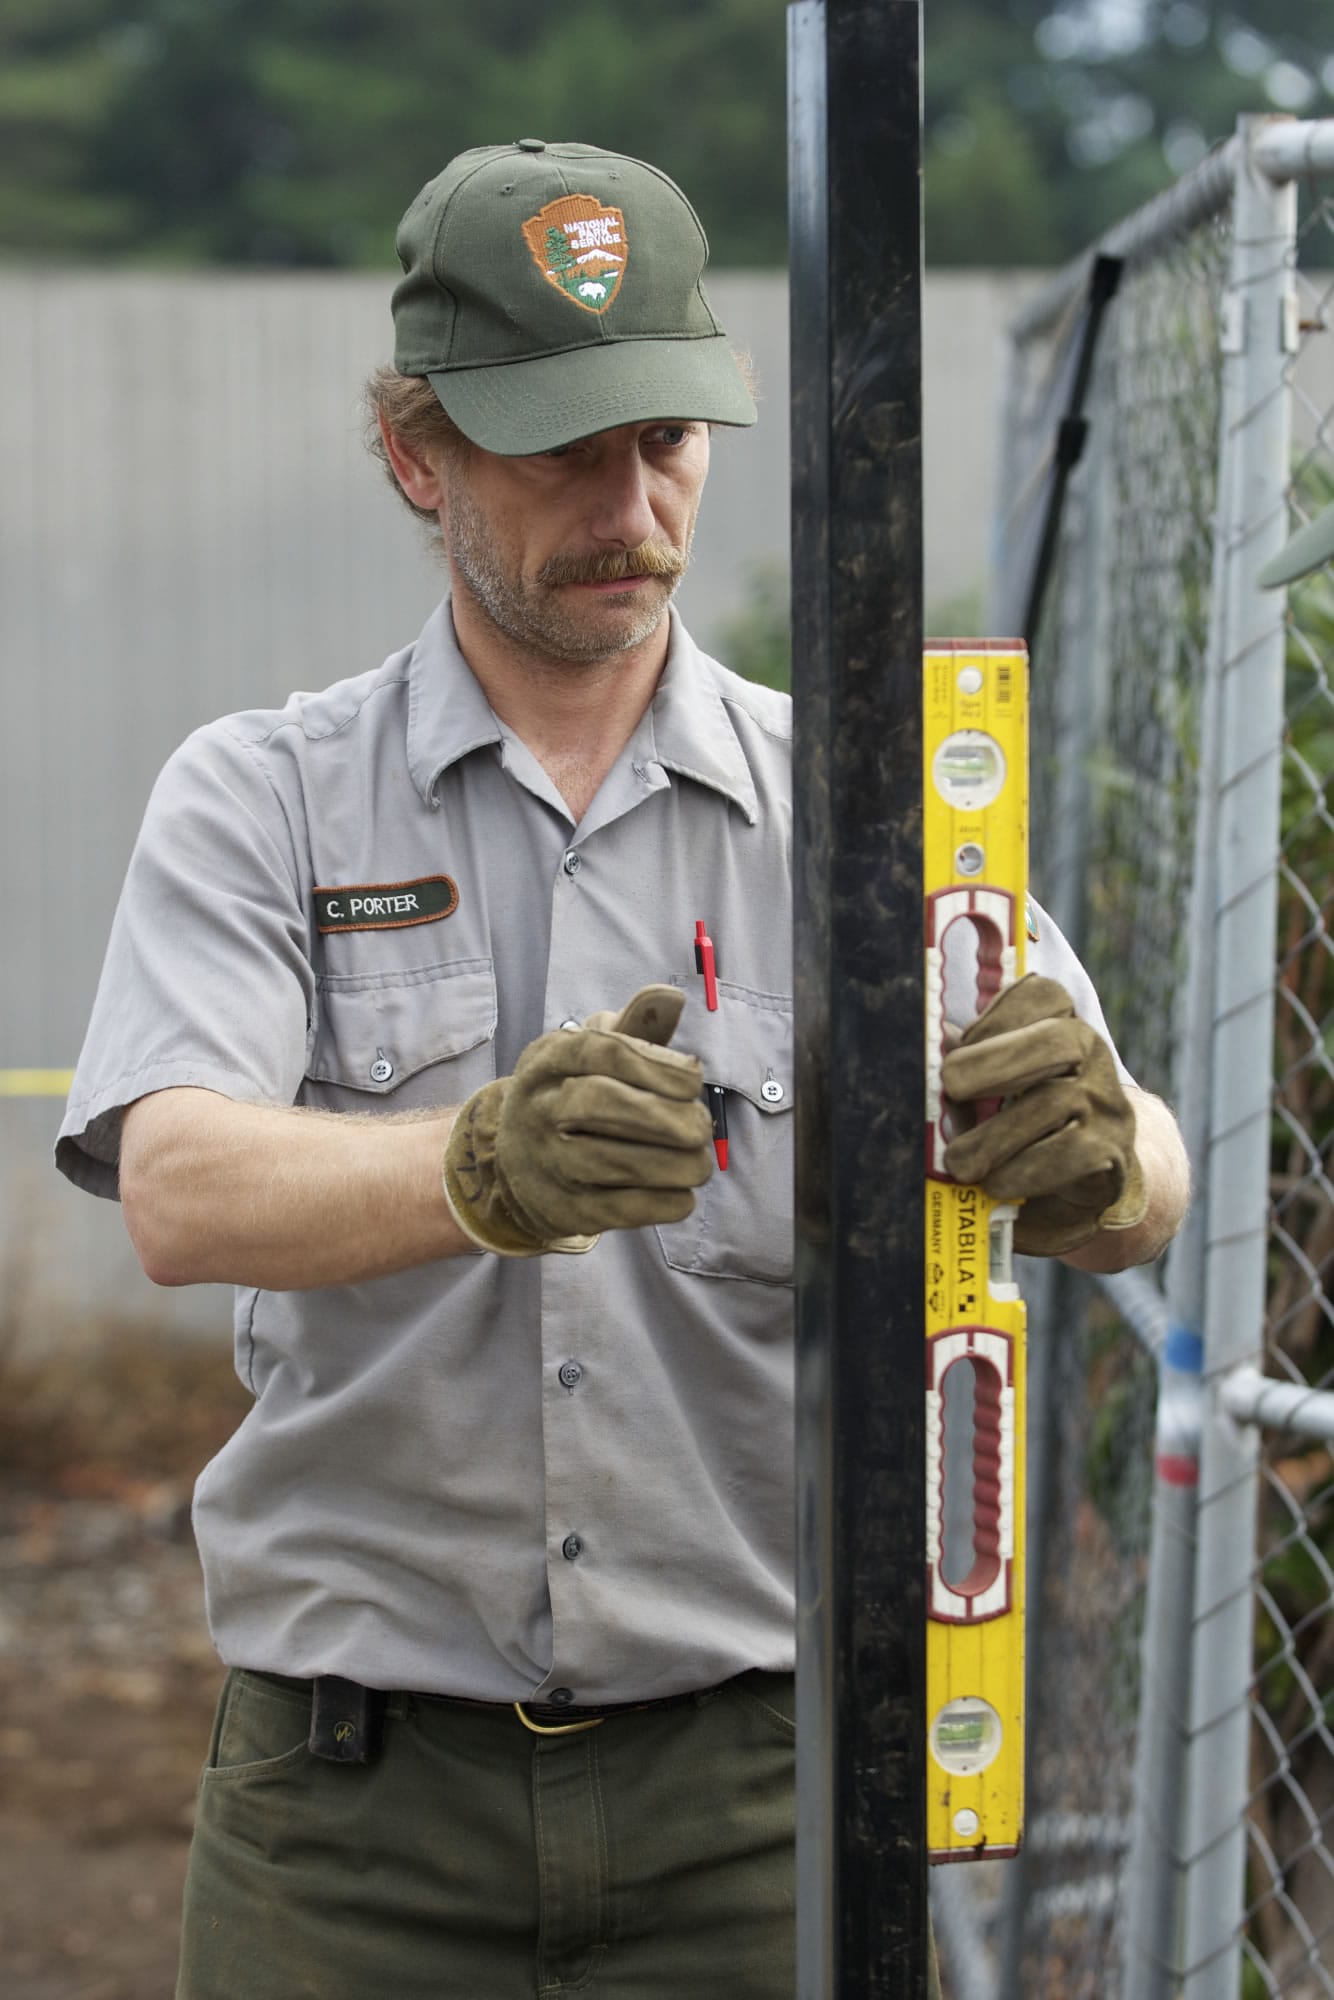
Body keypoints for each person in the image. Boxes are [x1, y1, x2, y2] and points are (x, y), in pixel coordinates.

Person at [56, 140, 1189, 1999]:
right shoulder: (265, 796)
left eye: (664, 434)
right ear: (418, 455)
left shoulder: (867, 801)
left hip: (752, 1800)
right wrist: (478, 1167)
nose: (630, 498)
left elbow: (1146, 1182)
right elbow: (178, 1190)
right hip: (354, 1821)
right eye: (561, 445)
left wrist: (1094, 1155)